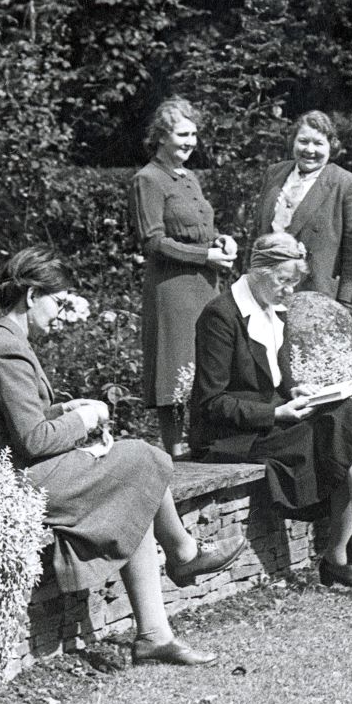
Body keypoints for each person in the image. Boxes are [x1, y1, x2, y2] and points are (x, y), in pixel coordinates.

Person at [0, 249, 243, 664]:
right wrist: (88, 417)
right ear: (32, 294)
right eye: (58, 302)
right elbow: (34, 441)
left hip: (12, 469)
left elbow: (12, 422)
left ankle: (154, 634)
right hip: (13, 481)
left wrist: (67, 411)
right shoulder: (5, 348)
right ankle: (182, 555)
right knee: (141, 456)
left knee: (134, 484)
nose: (60, 314)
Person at [191, 231, 352, 589]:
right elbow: (211, 403)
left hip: (269, 420)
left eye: (294, 283)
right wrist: (277, 413)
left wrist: (295, 389)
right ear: (258, 271)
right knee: (346, 430)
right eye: (284, 281)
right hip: (232, 435)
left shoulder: (272, 309)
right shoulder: (220, 316)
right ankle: (349, 549)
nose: (290, 291)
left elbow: (276, 376)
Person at [130, 96, 237, 452]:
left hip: (206, 285)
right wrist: (205, 256)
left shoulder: (189, 177)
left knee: (207, 364)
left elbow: (200, 226)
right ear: (161, 137)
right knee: (175, 368)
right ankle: (176, 451)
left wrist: (221, 240)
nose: (190, 141)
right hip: (172, 288)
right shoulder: (148, 179)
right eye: (182, 134)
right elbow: (154, 241)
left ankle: (205, 443)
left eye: (193, 134)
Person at [246, 110, 352, 309]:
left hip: (315, 295)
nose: (309, 150)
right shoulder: (275, 173)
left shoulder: (346, 184)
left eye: (318, 143)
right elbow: (257, 234)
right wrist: (249, 279)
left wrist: (345, 304)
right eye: (303, 141)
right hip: (267, 290)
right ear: (293, 142)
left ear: (332, 146)